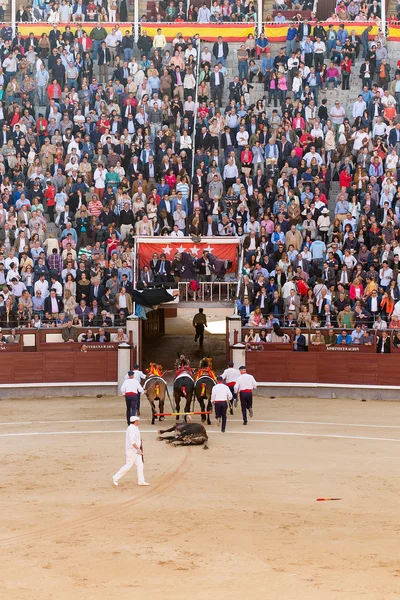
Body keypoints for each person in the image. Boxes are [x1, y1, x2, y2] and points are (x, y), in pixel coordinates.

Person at [113, 415, 149, 487]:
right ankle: (115, 477)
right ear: (135, 421)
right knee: (128, 465)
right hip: (132, 451)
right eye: (137, 420)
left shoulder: (134, 428)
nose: (138, 422)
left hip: (135, 450)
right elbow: (132, 441)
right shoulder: (132, 429)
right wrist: (138, 449)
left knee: (140, 465)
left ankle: (141, 481)